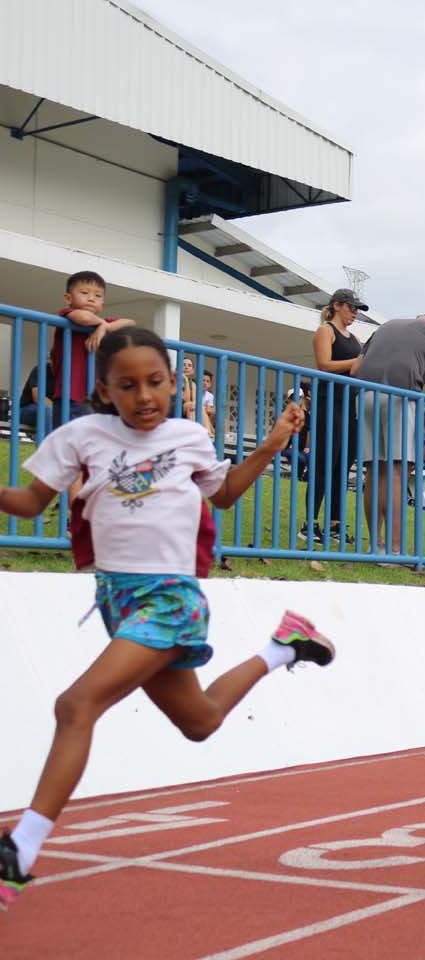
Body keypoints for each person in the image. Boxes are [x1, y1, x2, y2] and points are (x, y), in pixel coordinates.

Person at [0, 327, 336, 910]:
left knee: (75, 705)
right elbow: (32, 503)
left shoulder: (188, 437)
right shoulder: (81, 436)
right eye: (127, 386)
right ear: (104, 390)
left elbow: (225, 494)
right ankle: (284, 646)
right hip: (116, 600)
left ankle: (22, 849)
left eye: (156, 382)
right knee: (200, 721)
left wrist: (272, 444)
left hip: (170, 598)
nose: (145, 396)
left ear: (173, 382)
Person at [353, 316, 425, 556]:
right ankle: (395, 549)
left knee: (373, 471)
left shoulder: (386, 327)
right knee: (397, 471)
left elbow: (355, 369)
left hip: (364, 395)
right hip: (400, 396)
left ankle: (374, 544)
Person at [305, 288, 366, 545]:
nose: (354, 314)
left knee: (343, 465)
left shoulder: (355, 338)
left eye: (356, 310)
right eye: (352, 308)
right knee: (324, 463)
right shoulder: (325, 331)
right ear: (338, 305)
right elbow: (324, 364)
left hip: (348, 404)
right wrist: (356, 361)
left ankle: (335, 523)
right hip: (328, 402)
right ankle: (310, 523)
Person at [48, 271, 135, 422]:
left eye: (98, 296)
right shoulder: (67, 314)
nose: (91, 298)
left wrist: (104, 327)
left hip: (94, 397)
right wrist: (103, 325)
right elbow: (83, 317)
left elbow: (130, 323)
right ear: (68, 298)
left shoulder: (102, 323)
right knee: (70, 440)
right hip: (70, 394)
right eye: (84, 292)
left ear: (102, 303)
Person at [18, 362, 56, 436]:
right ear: (51, 359)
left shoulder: (64, 375)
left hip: (51, 413)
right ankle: (47, 445)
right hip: (27, 410)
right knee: (47, 410)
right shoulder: (40, 370)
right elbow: (37, 397)